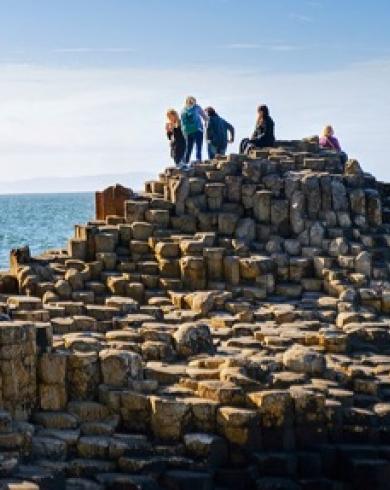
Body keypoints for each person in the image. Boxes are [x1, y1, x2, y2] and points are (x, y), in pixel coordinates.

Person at [181, 96, 208, 163]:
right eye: (190, 100)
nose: (191, 102)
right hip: (196, 130)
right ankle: (196, 160)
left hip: (188, 131)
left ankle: (186, 162)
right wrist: (207, 122)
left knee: (189, 147)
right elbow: (204, 117)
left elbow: (182, 122)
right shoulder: (196, 107)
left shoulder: (183, 109)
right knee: (195, 147)